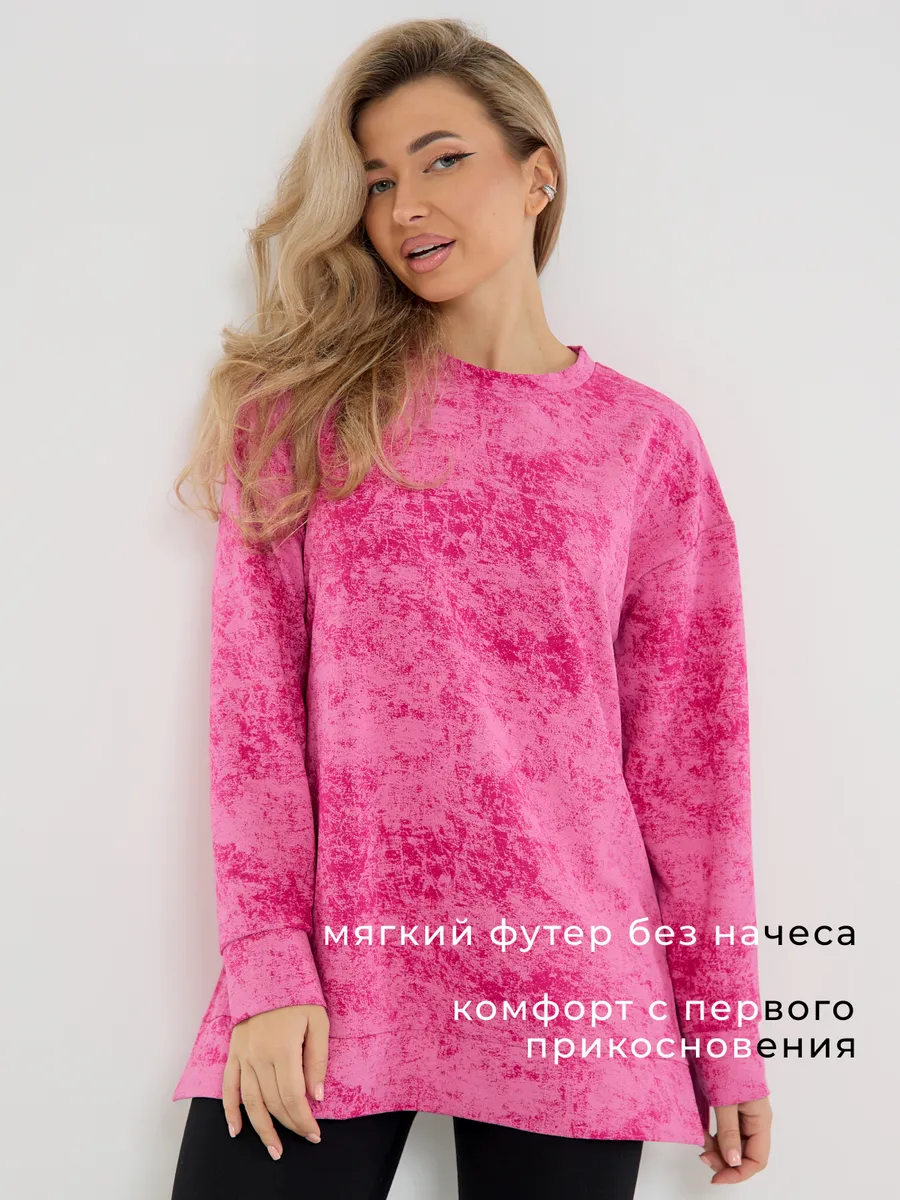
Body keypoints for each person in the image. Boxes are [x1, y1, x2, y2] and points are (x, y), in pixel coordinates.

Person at [169, 17, 773, 1199]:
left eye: (441, 159)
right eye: (376, 180)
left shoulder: (646, 445)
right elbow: (255, 720)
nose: (405, 207)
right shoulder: (309, 417)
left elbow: (693, 770)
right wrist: (268, 968)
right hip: (340, 973)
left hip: (576, 981)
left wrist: (726, 1034)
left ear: (537, 171)